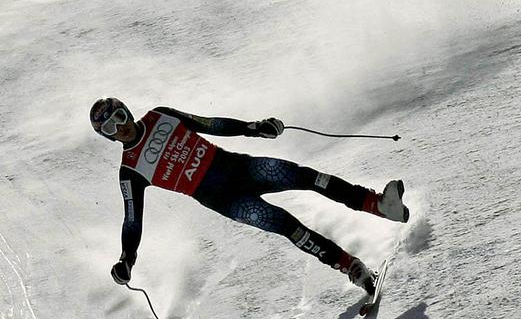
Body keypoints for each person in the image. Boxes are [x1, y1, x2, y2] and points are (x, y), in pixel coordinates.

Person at [89, 97, 409, 295]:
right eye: (110, 130)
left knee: (307, 177)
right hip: (226, 200)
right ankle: (350, 267)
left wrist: (253, 128)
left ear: (127, 111)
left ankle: (378, 206)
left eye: (119, 118)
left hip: (241, 168)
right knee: (287, 225)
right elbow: (132, 219)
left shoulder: (160, 116)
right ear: (107, 137)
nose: (120, 128)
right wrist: (126, 259)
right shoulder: (130, 171)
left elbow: (209, 124)